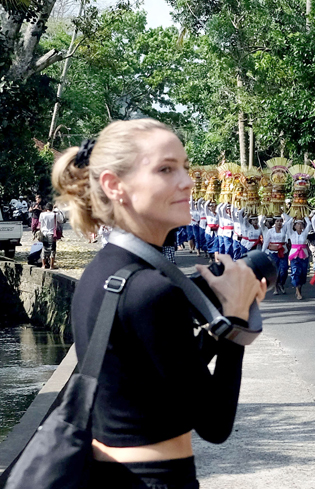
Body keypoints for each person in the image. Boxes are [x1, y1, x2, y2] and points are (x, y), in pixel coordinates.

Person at [52, 119, 265, 488]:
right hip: (157, 479)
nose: (187, 181)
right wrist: (236, 318)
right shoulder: (149, 289)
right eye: (166, 169)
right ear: (115, 186)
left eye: (184, 167)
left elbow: (162, 371)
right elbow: (214, 424)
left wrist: (223, 315)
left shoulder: (103, 271)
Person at [262, 215, 290, 295]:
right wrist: (262, 252)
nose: (279, 223)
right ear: (274, 222)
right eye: (277, 221)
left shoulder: (284, 228)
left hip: (283, 251)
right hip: (273, 252)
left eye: (281, 221)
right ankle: (275, 287)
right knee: (275, 270)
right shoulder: (270, 231)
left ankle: (281, 283)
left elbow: (289, 219)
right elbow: (266, 242)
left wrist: (283, 212)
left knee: (284, 270)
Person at [286, 215, 312, 300]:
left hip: (303, 255)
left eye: (301, 224)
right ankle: (297, 291)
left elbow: (309, 224)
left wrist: (305, 217)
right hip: (294, 255)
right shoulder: (291, 233)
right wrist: (292, 219)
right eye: (297, 224)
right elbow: (288, 225)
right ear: (294, 226)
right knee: (295, 272)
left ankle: (299, 288)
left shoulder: (304, 233)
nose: (299, 226)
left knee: (303, 273)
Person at [38, 202, 61, 270]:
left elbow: (40, 223)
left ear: (46, 208)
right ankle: (51, 265)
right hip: (52, 234)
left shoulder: (42, 214)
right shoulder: (55, 215)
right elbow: (61, 220)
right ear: (52, 208)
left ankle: (44, 265)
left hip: (44, 233)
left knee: (44, 249)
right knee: (52, 249)